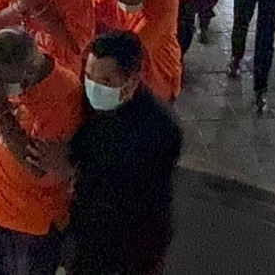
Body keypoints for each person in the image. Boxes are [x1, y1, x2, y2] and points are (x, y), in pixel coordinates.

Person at [0, 27, 85, 275]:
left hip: (29, 221)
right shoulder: (1, 64)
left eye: (3, 83)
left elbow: (36, 165)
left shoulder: (64, 95)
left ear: (27, 75)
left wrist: (0, 111)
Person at [53, 31, 183, 275]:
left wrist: (71, 171)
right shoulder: (89, 105)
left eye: (105, 81)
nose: (93, 87)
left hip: (133, 246)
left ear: (131, 81)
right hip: (88, 236)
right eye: (89, 76)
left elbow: (130, 194)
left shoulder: (160, 129)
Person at [93, 0, 181, 101]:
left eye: (134, 0)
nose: (127, 6)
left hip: (155, 73)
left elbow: (134, 46)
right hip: (119, 71)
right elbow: (94, 14)